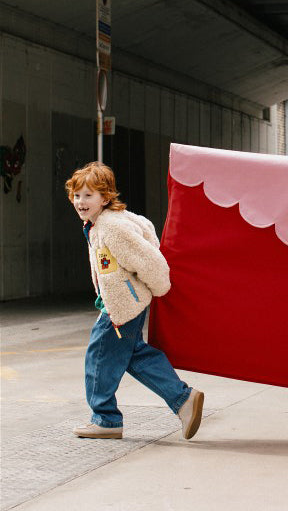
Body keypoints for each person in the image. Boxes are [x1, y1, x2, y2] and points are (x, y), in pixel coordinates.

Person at [65, 161, 204, 440]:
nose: (81, 201)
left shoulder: (111, 227)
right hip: (123, 301)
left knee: (99, 357)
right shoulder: (102, 223)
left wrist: (160, 289)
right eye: (77, 195)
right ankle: (183, 399)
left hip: (122, 307)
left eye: (88, 195)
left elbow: (150, 261)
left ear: (105, 197)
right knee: (134, 356)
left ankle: (105, 419)